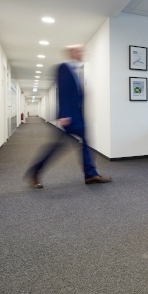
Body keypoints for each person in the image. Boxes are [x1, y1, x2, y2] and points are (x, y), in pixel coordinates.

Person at [25, 45, 111, 188]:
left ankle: (91, 174)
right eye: (79, 51)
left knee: (82, 143)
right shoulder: (64, 68)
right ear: (72, 53)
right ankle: (35, 172)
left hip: (77, 116)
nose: (82, 53)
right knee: (59, 146)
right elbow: (63, 91)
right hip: (70, 117)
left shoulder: (77, 70)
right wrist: (64, 114)